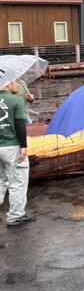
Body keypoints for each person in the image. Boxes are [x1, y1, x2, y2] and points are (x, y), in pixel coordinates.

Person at [0, 79, 34, 226]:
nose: (18, 85)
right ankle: (15, 216)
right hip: (12, 146)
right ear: (7, 84)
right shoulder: (16, 100)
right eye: (15, 82)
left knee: (2, 180)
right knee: (18, 181)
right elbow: (20, 125)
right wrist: (24, 147)